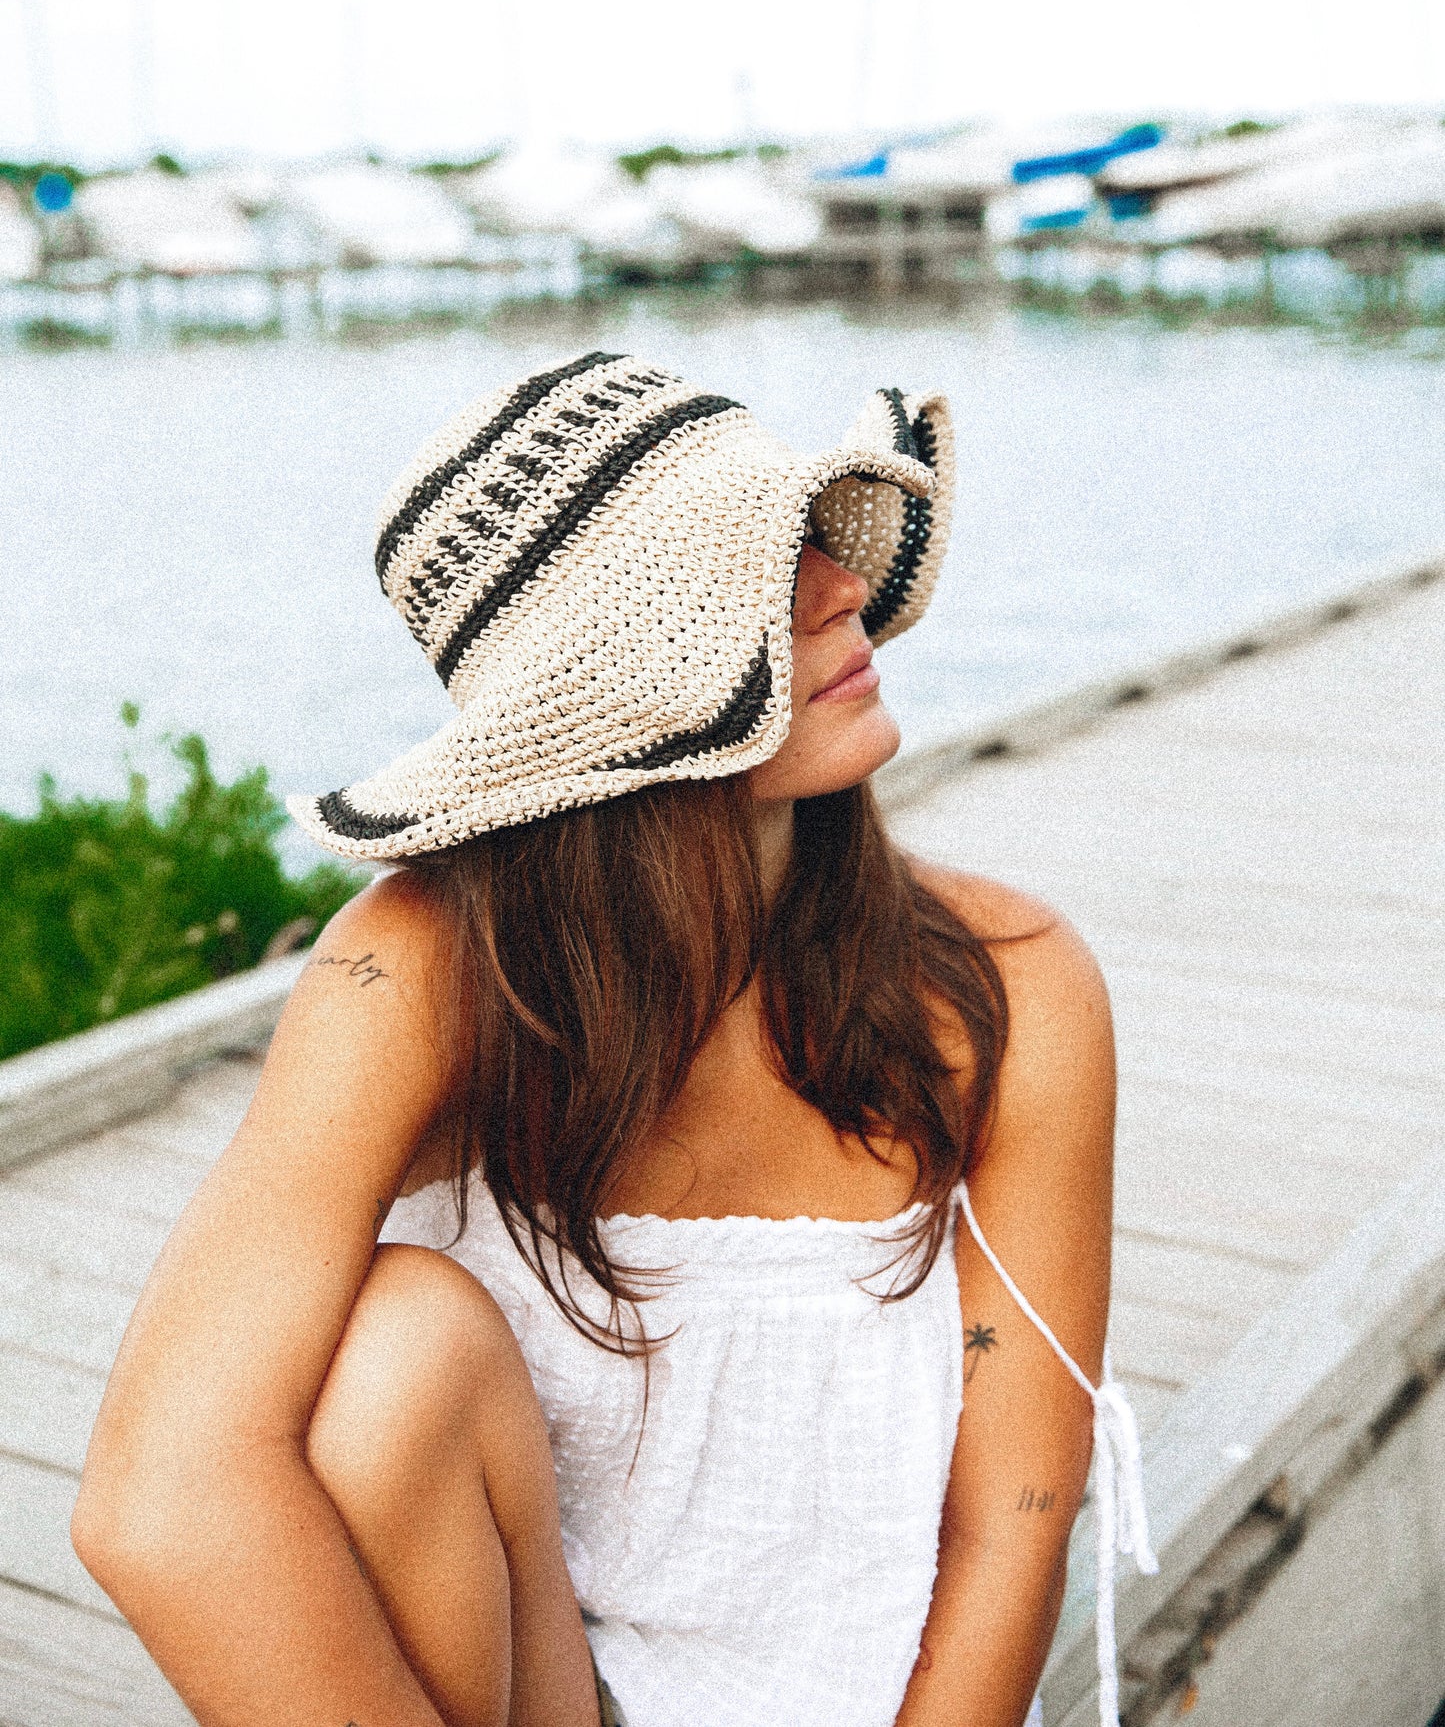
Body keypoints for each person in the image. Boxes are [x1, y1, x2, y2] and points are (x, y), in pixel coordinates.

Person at [74, 353, 1154, 1727]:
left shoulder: (1002, 988)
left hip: (868, 1693)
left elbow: (1012, 1521)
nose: (835, 589)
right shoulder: (417, 972)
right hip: (534, 1688)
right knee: (389, 1351)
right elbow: (160, 1496)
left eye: (818, 537)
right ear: (611, 694)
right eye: (759, 569)